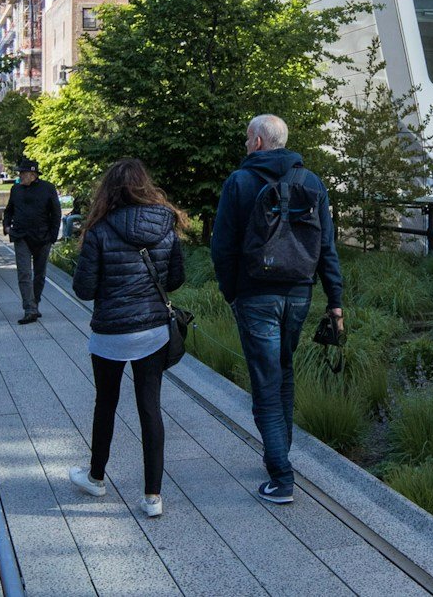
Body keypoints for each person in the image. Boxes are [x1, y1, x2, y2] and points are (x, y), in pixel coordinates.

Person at [210, 113, 343, 504]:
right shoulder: (312, 182)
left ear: (257, 142)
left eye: (247, 138)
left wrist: (232, 293)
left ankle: (282, 477)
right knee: (283, 372)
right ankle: (278, 455)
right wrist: (335, 302)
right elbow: (328, 249)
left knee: (266, 382)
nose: (245, 144)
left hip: (255, 295)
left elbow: (222, 247)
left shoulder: (240, 181)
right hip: (299, 293)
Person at [67, 157, 185, 519]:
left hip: (111, 334)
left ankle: (96, 477)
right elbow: (176, 279)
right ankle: (153, 496)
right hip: (152, 331)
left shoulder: (100, 230)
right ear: (144, 185)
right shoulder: (167, 226)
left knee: (106, 403)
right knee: (150, 407)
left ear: (109, 189)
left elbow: (83, 289)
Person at [2, 154, 63, 323]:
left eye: (23, 173)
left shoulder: (48, 188)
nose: (20, 176)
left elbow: (56, 213)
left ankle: (35, 303)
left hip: (42, 237)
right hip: (21, 236)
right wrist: (7, 226)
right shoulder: (16, 189)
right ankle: (29, 308)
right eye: (20, 173)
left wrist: (52, 235)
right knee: (24, 273)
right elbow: (9, 210)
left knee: (40, 274)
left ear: (33, 174)